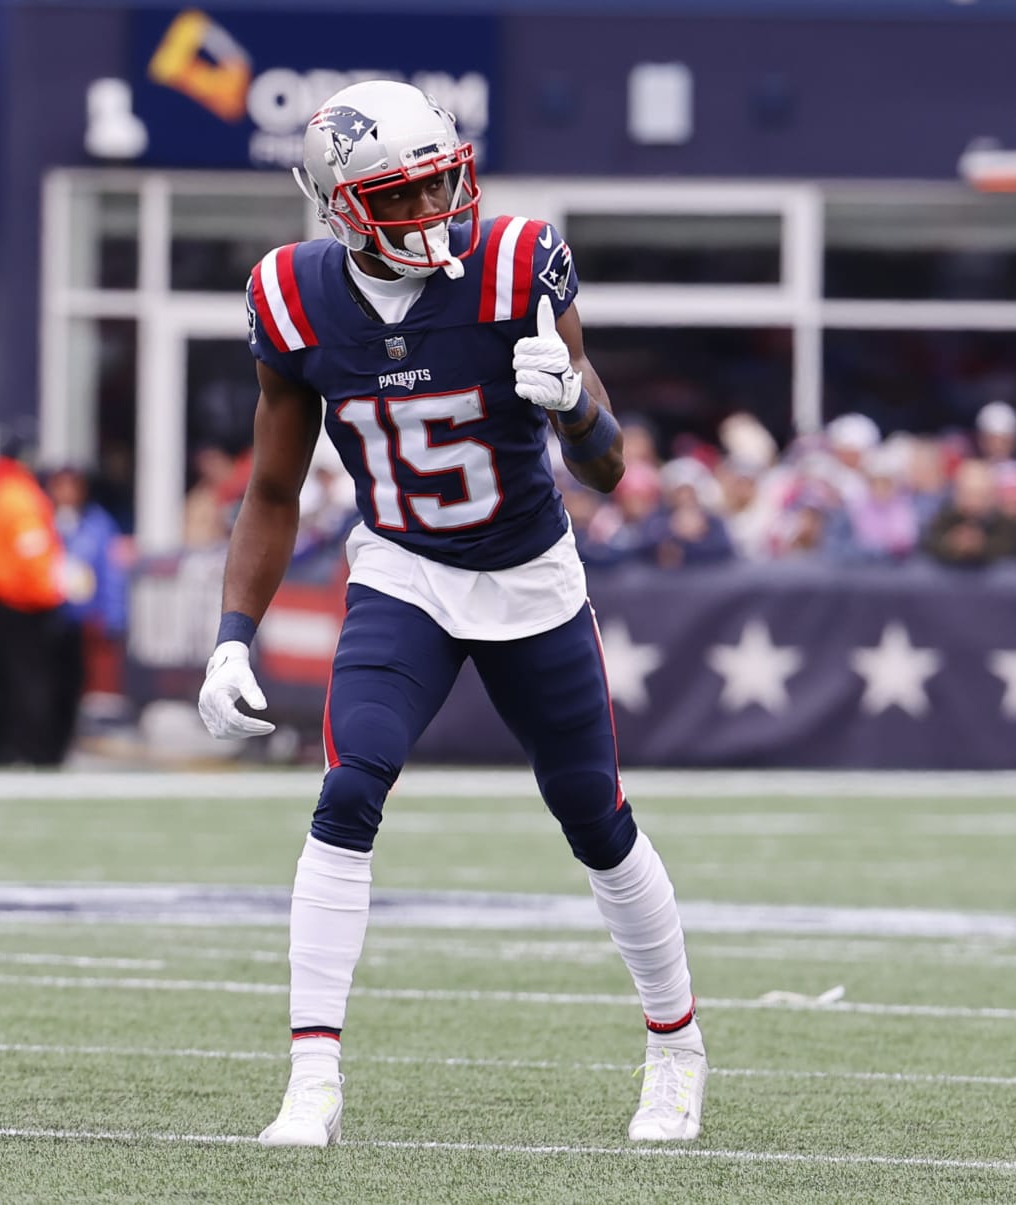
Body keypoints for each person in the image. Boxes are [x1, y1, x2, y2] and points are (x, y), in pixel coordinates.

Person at [197, 81, 706, 1148]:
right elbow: (275, 488)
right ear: (341, 206)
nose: (435, 202)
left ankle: (676, 1049)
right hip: (405, 571)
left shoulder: (519, 263)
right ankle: (312, 1078)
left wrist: (572, 404)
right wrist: (231, 636)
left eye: (441, 176)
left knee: (595, 819)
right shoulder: (292, 296)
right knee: (347, 788)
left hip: (529, 573)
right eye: (402, 189)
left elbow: (609, 468)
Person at [0, 444, 69, 767]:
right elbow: (32, 552)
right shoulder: (20, 497)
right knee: (29, 681)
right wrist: (50, 596)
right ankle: (32, 749)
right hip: (21, 603)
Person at [46, 464, 127, 763]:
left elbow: (110, 573)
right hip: (42, 615)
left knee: (73, 681)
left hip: (79, 619)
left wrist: (113, 615)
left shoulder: (97, 524)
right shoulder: (41, 519)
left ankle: (62, 745)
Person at [921, 458, 1016, 568]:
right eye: (968, 494)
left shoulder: (1006, 523)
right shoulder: (943, 517)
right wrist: (951, 544)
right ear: (957, 493)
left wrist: (981, 546)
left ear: (992, 495)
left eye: (980, 495)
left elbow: (1007, 546)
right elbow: (931, 542)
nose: (973, 502)